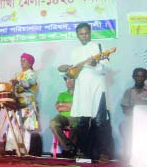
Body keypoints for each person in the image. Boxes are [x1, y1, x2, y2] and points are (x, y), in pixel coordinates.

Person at [59, 22, 114, 162]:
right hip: (81, 90)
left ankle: (104, 153)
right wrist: (68, 70)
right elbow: (73, 74)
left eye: (86, 33)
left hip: (96, 89)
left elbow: (107, 68)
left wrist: (97, 64)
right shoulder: (74, 51)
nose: (84, 36)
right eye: (81, 34)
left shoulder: (98, 47)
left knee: (100, 122)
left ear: (90, 33)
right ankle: (84, 153)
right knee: (83, 123)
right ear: (77, 35)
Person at [6, 53, 40, 154]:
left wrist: (17, 82)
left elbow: (29, 83)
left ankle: (25, 151)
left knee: (27, 127)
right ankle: (12, 149)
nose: (22, 62)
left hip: (27, 104)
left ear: (30, 64)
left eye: (24, 61)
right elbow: (12, 87)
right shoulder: (17, 74)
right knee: (14, 125)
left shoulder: (32, 74)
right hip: (16, 104)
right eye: (21, 60)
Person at [119, 67, 147, 161]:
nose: (139, 78)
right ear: (133, 77)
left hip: (145, 122)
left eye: (142, 76)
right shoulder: (128, 92)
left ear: (146, 77)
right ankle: (128, 156)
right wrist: (139, 111)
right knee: (124, 125)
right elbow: (125, 109)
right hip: (132, 121)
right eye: (137, 76)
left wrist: (135, 109)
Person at [49, 76, 77, 157]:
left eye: (71, 79)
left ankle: (70, 150)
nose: (68, 81)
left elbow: (77, 106)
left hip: (75, 115)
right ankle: (69, 148)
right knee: (53, 123)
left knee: (75, 124)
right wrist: (71, 105)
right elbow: (58, 108)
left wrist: (63, 104)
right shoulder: (62, 94)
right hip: (62, 117)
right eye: (67, 80)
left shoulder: (80, 94)